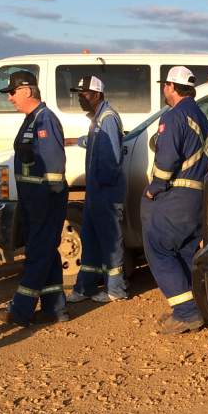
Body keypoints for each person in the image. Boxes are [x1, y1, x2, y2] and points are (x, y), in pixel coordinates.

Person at [0, 71, 69, 326]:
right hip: (33, 199)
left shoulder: (45, 120)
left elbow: (54, 162)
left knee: (37, 253)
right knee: (47, 253)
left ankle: (20, 310)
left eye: (12, 92)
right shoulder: (32, 119)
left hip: (44, 200)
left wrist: (49, 198)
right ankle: (55, 308)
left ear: (26, 90)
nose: (10, 98)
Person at [142, 66, 208, 334]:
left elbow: (167, 158)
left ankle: (187, 312)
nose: (164, 90)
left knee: (158, 247)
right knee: (183, 253)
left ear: (171, 87)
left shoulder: (174, 117)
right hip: (196, 197)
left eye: (165, 85)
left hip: (177, 195)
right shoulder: (202, 118)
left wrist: (155, 187)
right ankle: (190, 307)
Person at [67, 74, 128, 304]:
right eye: (79, 94)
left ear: (98, 95)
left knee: (111, 241)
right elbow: (94, 142)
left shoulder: (108, 119)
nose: (81, 98)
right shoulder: (98, 118)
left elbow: (112, 158)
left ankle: (116, 289)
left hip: (106, 193)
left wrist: (102, 186)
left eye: (85, 94)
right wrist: (78, 140)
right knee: (90, 241)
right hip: (95, 193)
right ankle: (85, 288)